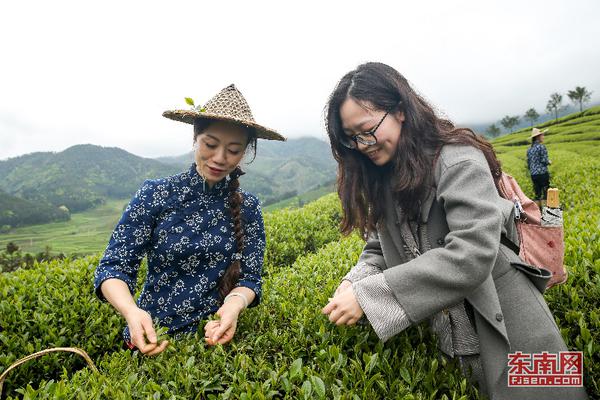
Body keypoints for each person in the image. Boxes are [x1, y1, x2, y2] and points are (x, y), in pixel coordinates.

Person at [321, 62, 588, 399]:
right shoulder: (387, 177)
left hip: (513, 319)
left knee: (551, 395)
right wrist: (354, 281)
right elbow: (379, 246)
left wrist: (368, 296)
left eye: (367, 130)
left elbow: (472, 254)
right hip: (455, 335)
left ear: (400, 111)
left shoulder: (458, 159)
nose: (363, 145)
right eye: (352, 139)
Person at [94, 84, 285, 356]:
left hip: (214, 342)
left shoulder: (249, 207)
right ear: (196, 138)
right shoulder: (156, 194)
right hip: (150, 338)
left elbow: (251, 278)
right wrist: (131, 312)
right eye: (210, 144)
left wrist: (233, 305)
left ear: (244, 152)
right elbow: (113, 268)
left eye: (233, 150)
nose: (219, 158)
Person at [527, 128, 551, 208]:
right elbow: (544, 160)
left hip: (533, 175)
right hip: (542, 173)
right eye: (542, 135)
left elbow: (529, 163)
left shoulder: (529, 149)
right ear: (538, 137)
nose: (543, 137)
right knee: (545, 193)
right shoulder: (541, 147)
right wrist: (549, 162)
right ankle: (546, 212)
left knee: (537, 194)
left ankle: (538, 212)